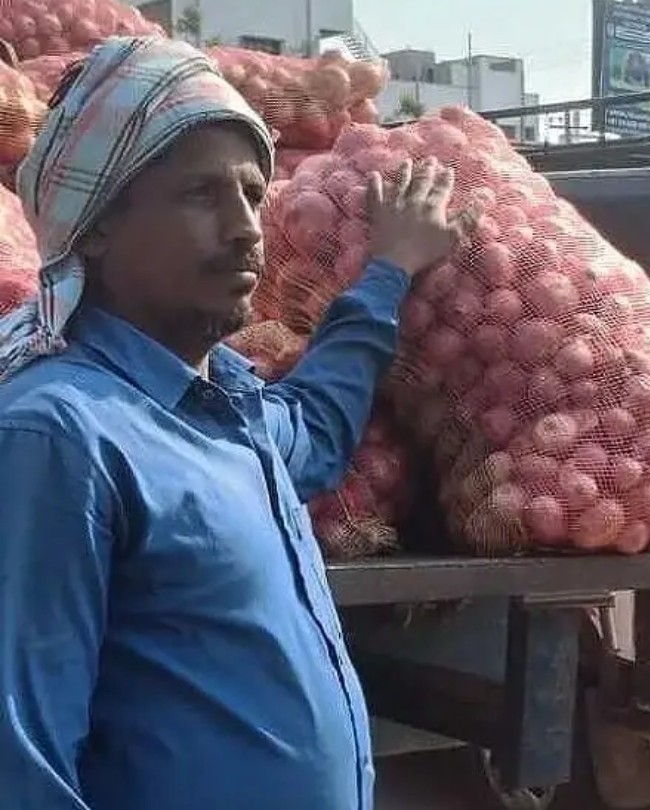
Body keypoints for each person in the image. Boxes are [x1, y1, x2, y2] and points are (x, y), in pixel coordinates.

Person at [0, 37, 466, 810]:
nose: (247, 226)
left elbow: (317, 427)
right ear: (98, 223)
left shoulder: (228, 413)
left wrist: (388, 272)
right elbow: (21, 765)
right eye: (201, 195)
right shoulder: (59, 435)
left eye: (252, 193)